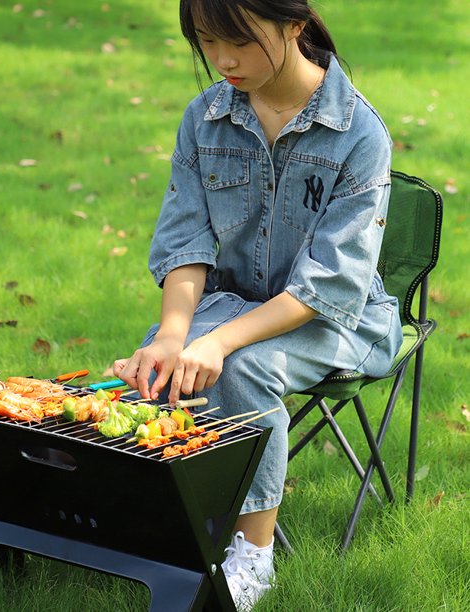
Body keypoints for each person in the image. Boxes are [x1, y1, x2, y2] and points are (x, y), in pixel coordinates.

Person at [114, 0, 402, 609]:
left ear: (294, 25)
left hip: (338, 318)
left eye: (239, 42)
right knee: (163, 362)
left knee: (240, 368)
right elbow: (185, 240)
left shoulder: (359, 133)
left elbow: (328, 285)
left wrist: (219, 339)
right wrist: (173, 332)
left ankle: (253, 556)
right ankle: (180, 527)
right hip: (241, 298)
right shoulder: (205, 118)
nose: (222, 61)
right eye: (207, 41)